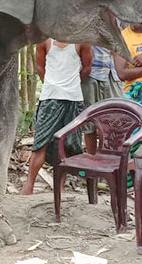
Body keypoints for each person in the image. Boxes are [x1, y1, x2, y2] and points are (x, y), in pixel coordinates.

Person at [21, 39, 91, 195]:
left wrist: (70, 85)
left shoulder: (81, 41)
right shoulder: (44, 40)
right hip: (49, 98)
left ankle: (59, 188)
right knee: (40, 144)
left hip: (73, 98)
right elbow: (40, 66)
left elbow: (87, 68)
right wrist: (52, 85)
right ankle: (29, 186)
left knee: (66, 146)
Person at [82, 46, 125, 155]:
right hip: (91, 73)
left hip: (115, 74)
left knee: (116, 121)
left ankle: (111, 160)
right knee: (89, 121)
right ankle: (91, 160)